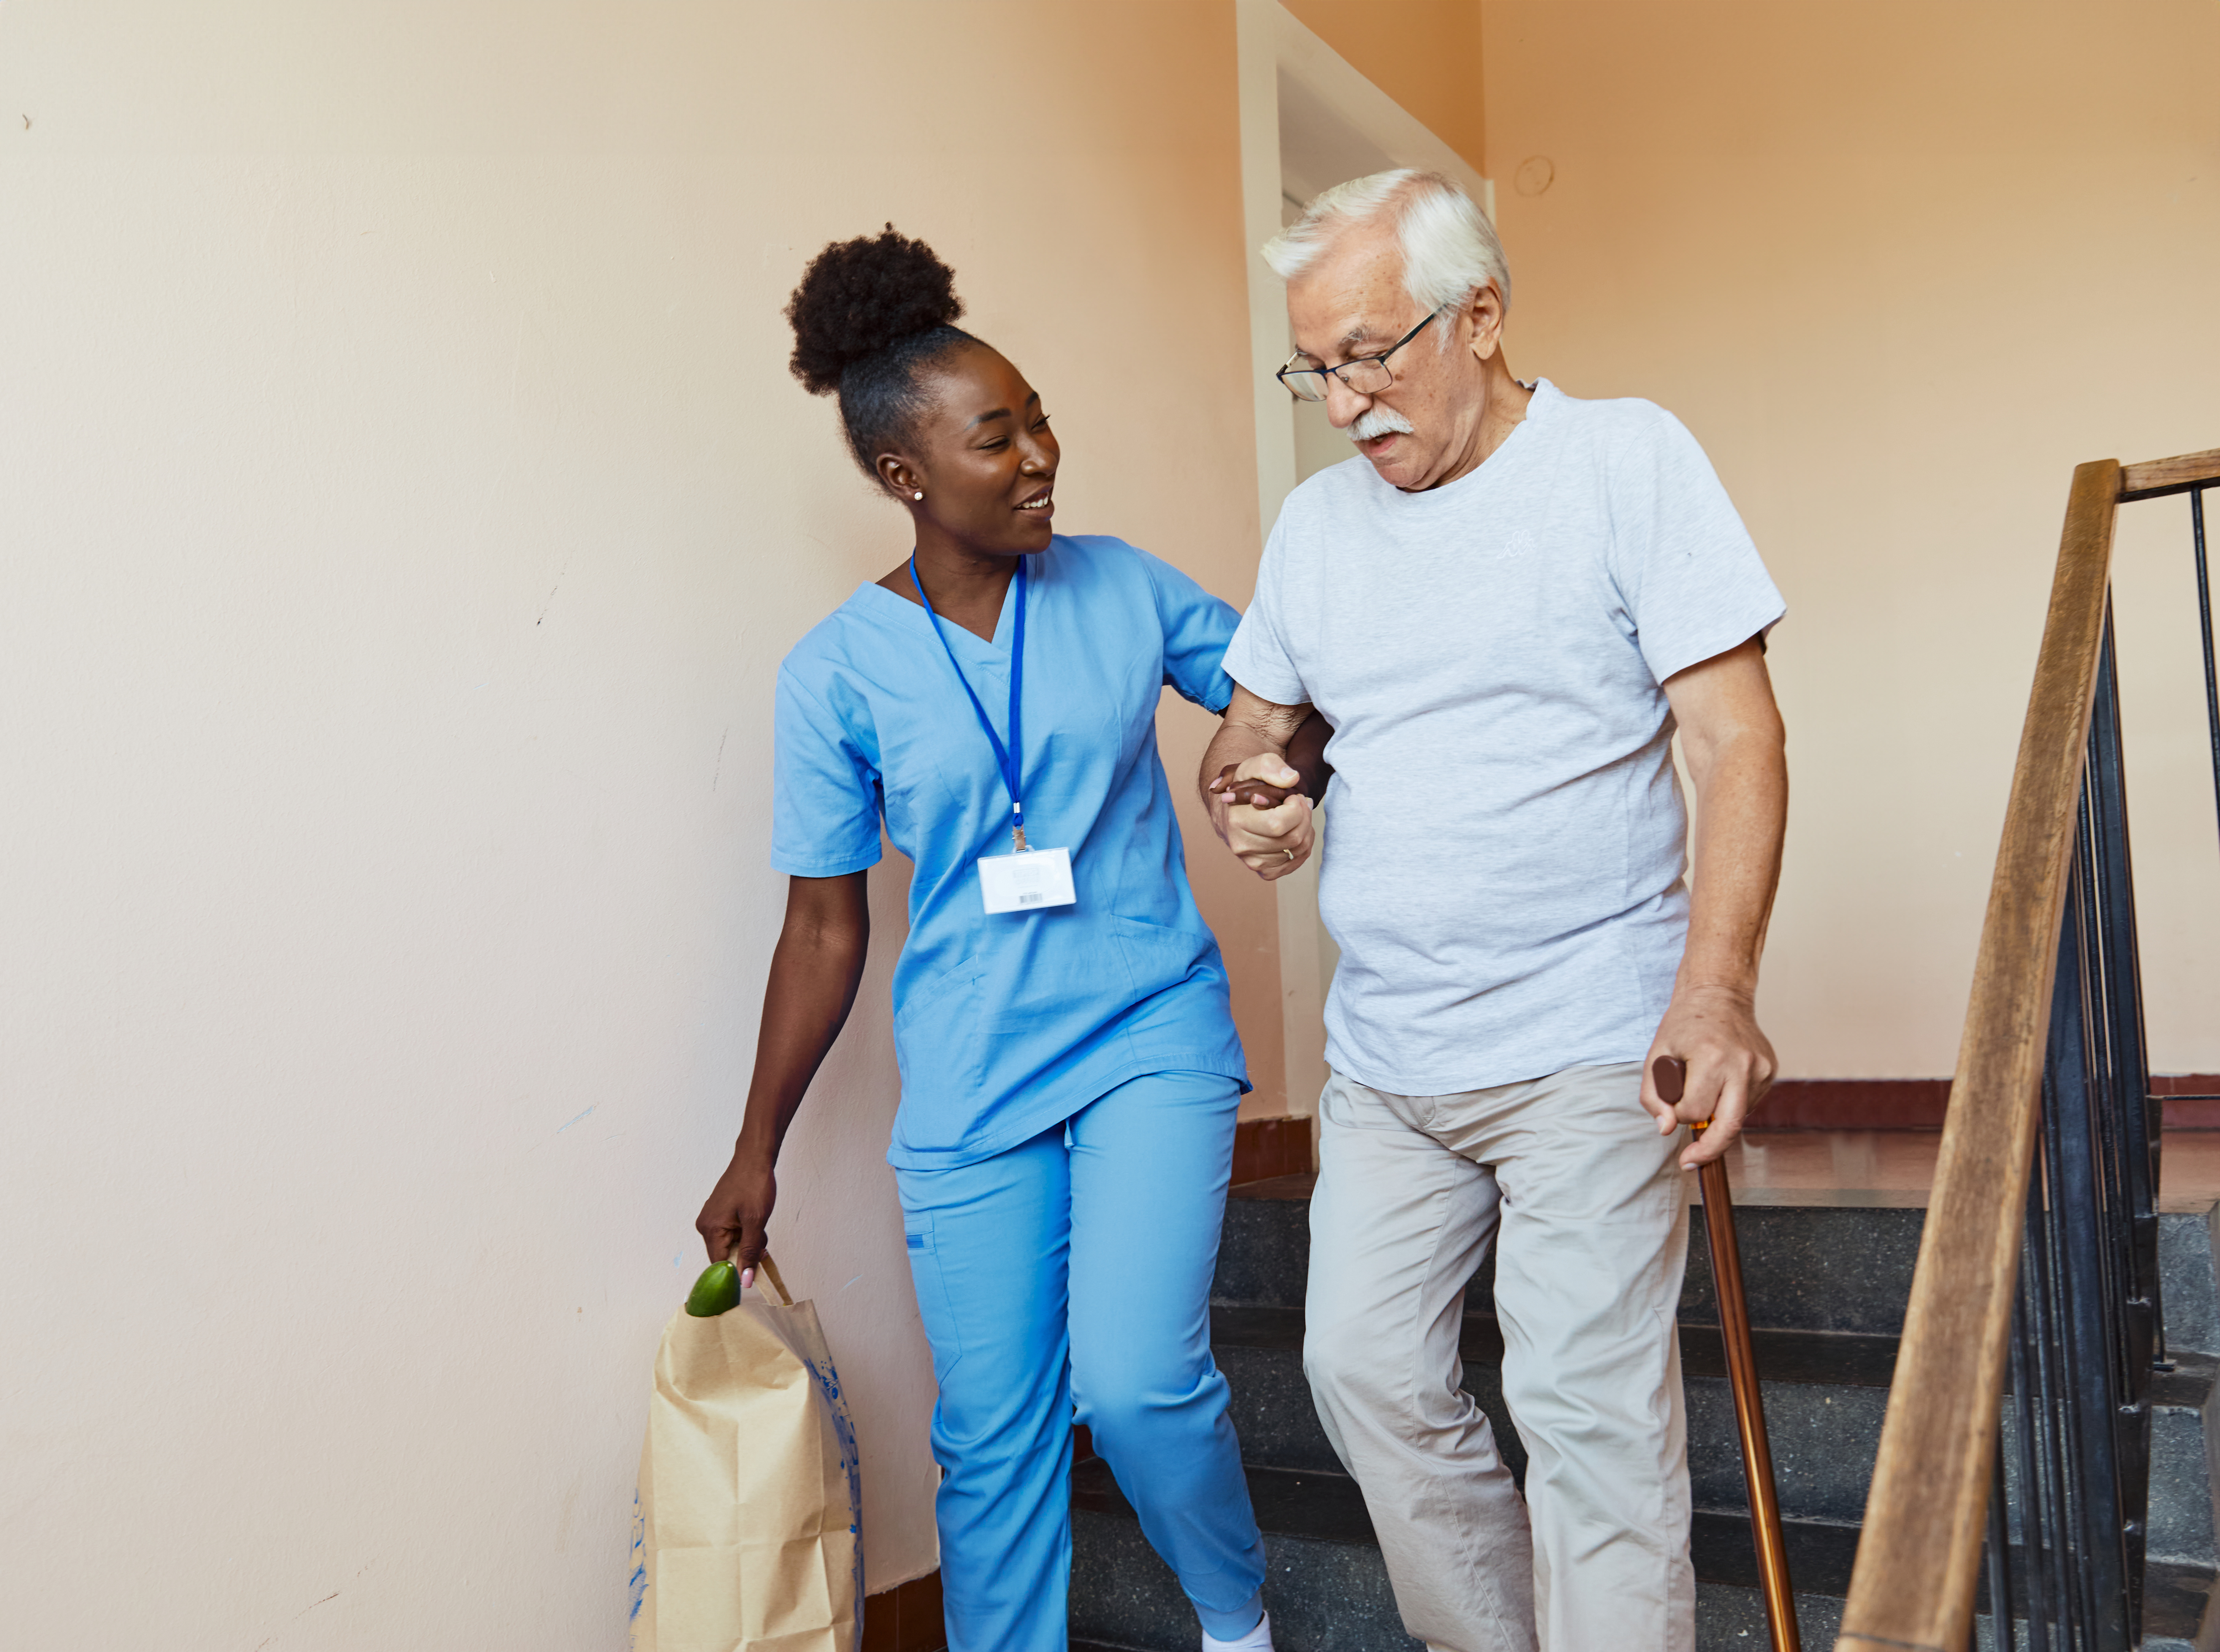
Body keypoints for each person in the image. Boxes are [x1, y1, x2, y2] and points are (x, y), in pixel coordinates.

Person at [1199, 171, 1790, 1652]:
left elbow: (1735, 739)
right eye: (1314, 368)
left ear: (1481, 313)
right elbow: (1247, 732)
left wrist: (1712, 986)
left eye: (1368, 355)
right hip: (1390, 1058)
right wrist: (1251, 790)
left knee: (1585, 1406)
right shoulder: (1317, 528)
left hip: (1592, 1037)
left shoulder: (1622, 462)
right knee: (1361, 1373)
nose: (1341, 404)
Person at [694, 227, 1291, 1652]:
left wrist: (1265, 760)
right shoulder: (833, 674)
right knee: (995, 1435)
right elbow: (823, 927)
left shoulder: (1122, 586)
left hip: (1147, 1025)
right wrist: (756, 1143)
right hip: (969, 1072)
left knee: (1139, 1380)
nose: (1041, 456)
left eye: (1038, 421)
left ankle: (1236, 1619)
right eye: (997, 435)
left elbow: (1281, 685)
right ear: (906, 476)